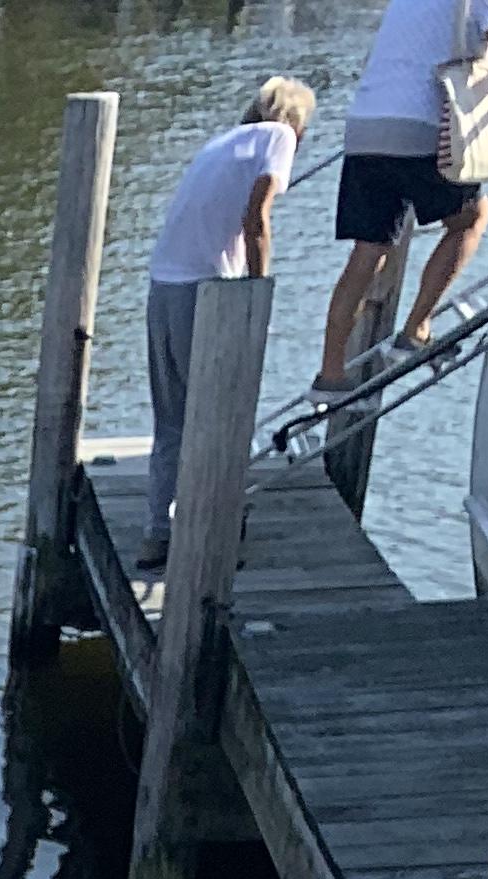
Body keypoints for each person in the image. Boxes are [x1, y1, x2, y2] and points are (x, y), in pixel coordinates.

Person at [317, 0, 488, 387]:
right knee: (470, 219)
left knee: (368, 250)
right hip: (421, 126)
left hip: (366, 127)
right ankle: (416, 328)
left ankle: (330, 373)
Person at [138, 79, 314, 571]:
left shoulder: (221, 143)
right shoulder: (278, 137)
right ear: (295, 121)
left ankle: (157, 533)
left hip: (163, 285)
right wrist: (258, 290)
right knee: (219, 416)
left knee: (172, 421)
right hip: (206, 291)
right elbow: (257, 219)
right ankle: (213, 534)